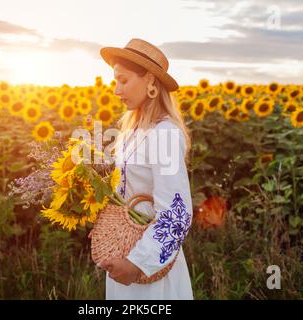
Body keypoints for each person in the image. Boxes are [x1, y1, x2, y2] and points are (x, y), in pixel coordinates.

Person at [97, 38, 194, 300]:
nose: (116, 90)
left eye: (123, 80)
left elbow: (177, 214)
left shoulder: (164, 135)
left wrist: (138, 264)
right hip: (125, 251)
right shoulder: (134, 130)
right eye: (115, 81)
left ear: (150, 80)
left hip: (150, 266)